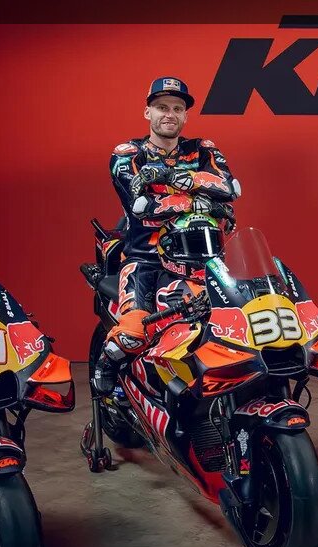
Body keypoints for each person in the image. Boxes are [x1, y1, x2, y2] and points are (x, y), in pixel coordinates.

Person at [105, 76, 239, 356]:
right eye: (162, 107)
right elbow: (143, 206)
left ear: (185, 116)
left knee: (237, 325)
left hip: (206, 259)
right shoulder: (128, 153)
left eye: (178, 109)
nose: (170, 114)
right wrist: (201, 199)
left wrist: (171, 177)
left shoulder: (202, 149)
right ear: (148, 112)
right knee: (130, 336)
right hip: (146, 259)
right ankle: (106, 370)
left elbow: (229, 188)